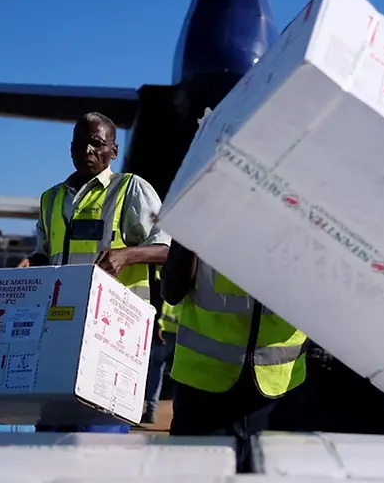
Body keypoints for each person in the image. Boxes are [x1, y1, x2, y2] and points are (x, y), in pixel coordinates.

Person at [17, 112, 170, 432]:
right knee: (50, 428)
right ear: (71, 148)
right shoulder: (51, 199)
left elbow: (168, 248)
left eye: (97, 144)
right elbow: (46, 254)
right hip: (59, 328)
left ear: (113, 151)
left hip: (114, 334)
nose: (88, 150)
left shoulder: (131, 190)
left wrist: (127, 255)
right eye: (80, 143)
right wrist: (31, 262)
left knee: (100, 433)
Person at [161, 242, 307, 466]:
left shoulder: (308, 234)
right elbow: (171, 291)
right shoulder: (204, 222)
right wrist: (191, 238)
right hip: (204, 386)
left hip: (279, 388)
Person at [142, 275, 180, 424]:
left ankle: (151, 410)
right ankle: (178, 414)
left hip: (166, 328)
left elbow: (159, 295)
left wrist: (158, 324)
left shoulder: (167, 271)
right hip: (184, 328)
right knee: (180, 376)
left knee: (156, 370)